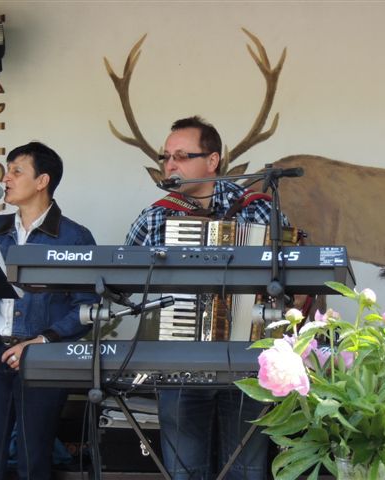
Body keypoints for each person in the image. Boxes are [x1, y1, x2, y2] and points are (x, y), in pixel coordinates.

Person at [125, 116, 290, 479]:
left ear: (212, 161)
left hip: (249, 360)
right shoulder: (156, 217)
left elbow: (291, 279)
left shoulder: (257, 208)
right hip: (177, 362)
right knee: (184, 472)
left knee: (247, 471)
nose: (171, 165)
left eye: (182, 156)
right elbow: (122, 282)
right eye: (166, 157)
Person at [0, 141, 99, 480]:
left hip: (43, 356)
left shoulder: (74, 237)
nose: (6, 179)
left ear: (42, 181)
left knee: (33, 460)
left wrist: (40, 341)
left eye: (16, 171)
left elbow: (88, 308)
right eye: (7, 171)